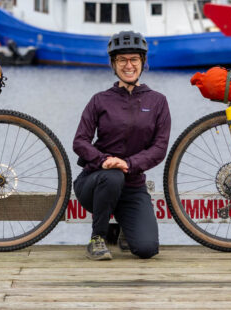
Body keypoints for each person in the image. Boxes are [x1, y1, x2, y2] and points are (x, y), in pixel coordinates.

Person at [72, 30, 171, 260]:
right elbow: (80, 141)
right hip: (96, 183)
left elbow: (159, 148)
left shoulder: (158, 101)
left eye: (134, 59)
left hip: (132, 187)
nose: (128, 65)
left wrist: (128, 163)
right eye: (121, 60)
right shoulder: (100, 99)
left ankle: (126, 225)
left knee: (147, 249)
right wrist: (104, 160)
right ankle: (97, 238)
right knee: (113, 176)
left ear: (142, 62)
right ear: (113, 64)